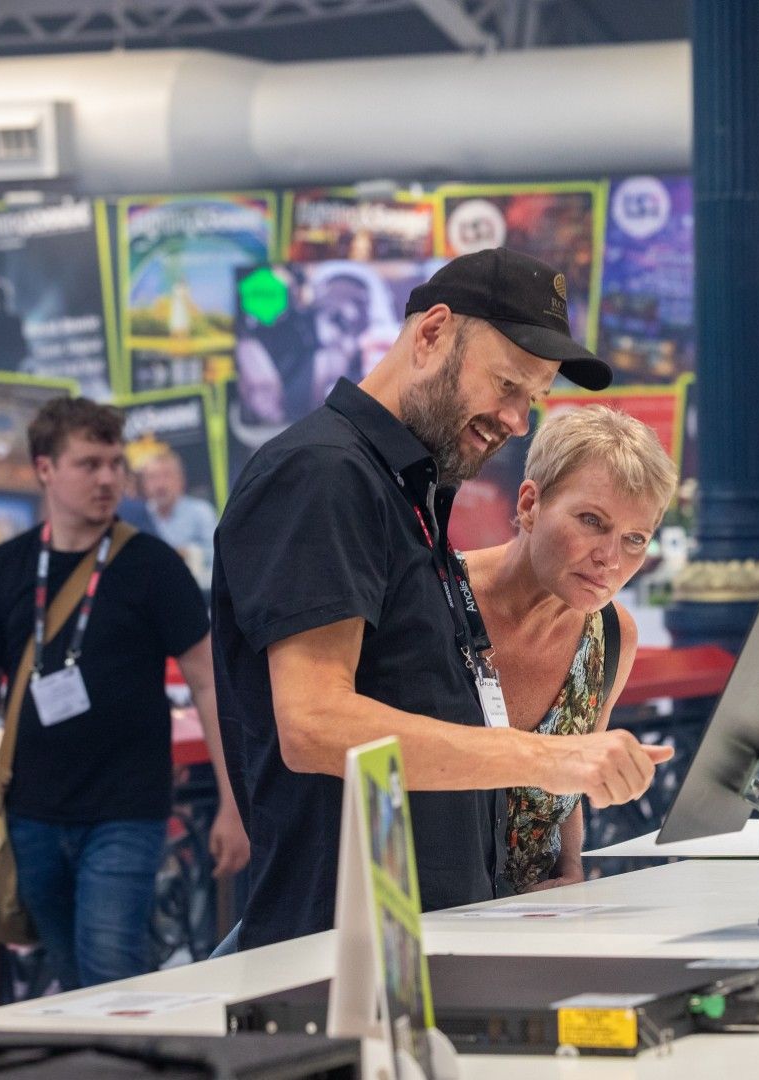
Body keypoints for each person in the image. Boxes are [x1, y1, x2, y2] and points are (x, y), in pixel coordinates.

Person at [212, 248, 674, 951]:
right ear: (430, 334)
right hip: (342, 953)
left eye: (532, 399)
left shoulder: (410, 491)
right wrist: (550, 759)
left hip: (426, 942)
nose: (518, 420)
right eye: (507, 385)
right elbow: (313, 723)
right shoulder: (323, 475)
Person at [0, 398, 248, 991]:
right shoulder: (5, 567)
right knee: (70, 973)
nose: (108, 479)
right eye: (89, 464)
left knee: (110, 970)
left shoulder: (153, 565)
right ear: (44, 469)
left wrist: (234, 803)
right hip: (30, 812)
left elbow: (209, 684)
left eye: (114, 463)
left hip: (127, 809)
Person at [460, 406, 678, 894]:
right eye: (591, 521)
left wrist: (572, 867)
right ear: (530, 504)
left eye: (635, 539)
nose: (610, 558)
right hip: (415, 924)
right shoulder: (438, 598)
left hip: (531, 931)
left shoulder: (611, 633)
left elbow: (569, 784)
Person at [141, 448, 218, 588]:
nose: (160, 485)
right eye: (153, 477)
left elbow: (219, 555)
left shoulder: (201, 512)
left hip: (196, 591)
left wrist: (189, 554)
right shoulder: (139, 516)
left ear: (181, 480)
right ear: (144, 485)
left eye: (166, 475)